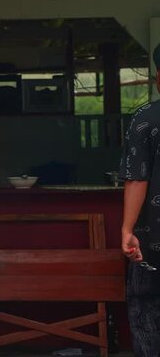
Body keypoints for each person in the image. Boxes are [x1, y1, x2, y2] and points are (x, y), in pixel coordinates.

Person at [119, 43, 160, 356]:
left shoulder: (146, 118)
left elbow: (137, 177)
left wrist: (127, 229)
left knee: (147, 314)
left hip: (153, 239)